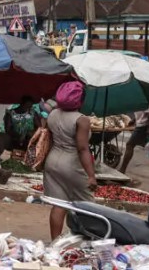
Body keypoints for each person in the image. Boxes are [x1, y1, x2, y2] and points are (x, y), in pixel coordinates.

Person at [44, 81, 97, 240]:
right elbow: (82, 148)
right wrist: (91, 175)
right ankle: (89, 240)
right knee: (87, 205)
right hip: (72, 164)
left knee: (59, 204)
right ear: (80, 100)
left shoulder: (53, 114)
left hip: (52, 161)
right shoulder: (81, 119)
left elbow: (50, 140)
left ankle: (55, 243)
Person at [119, 107, 149, 182]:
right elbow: (142, 112)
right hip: (148, 124)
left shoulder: (145, 98)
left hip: (146, 125)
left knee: (129, 145)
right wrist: (134, 120)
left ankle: (122, 171)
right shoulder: (138, 98)